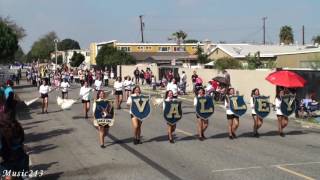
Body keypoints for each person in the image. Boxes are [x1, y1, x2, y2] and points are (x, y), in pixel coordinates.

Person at [0, 112, 29, 180]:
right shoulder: (18, 127)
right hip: (20, 158)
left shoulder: (2, 131)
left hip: (8, 160)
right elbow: (21, 141)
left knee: (10, 176)